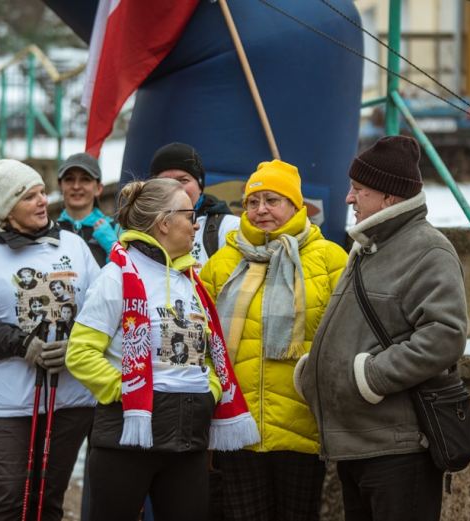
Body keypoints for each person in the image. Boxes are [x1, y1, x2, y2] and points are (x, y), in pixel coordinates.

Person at [295, 136, 468, 521]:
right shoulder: (373, 245)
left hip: (398, 450)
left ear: (389, 198)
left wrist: (369, 377)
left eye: (358, 190)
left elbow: (446, 335)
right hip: (363, 444)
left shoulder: (427, 249)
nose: (348, 199)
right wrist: (315, 372)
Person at [66, 178, 259, 521]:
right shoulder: (116, 278)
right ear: (164, 222)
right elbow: (80, 354)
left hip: (188, 439)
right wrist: (127, 393)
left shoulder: (190, 281)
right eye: (190, 214)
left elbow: (209, 355)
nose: (196, 223)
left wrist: (210, 390)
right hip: (127, 438)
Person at [0, 159, 101, 520]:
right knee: (8, 497)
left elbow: (101, 308)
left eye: (40, 193)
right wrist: (22, 344)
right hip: (4, 402)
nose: (41, 202)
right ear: (6, 209)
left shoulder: (73, 245)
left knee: (48, 498)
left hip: (69, 398)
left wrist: (77, 344)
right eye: (28, 197)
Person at [200, 159, 348, 521]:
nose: (261, 209)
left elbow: (346, 338)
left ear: (296, 206)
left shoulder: (330, 259)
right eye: (253, 201)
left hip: (304, 424)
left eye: (272, 200)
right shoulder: (221, 263)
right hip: (238, 427)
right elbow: (201, 340)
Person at [149, 142, 240, 271]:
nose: (175, 188)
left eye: (183, 180)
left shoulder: (229, 228)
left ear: (200, 186)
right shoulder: (138, 232)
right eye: (165, 182)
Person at [57, 152, 119, 267]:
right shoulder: (51, 231)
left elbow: (131, 276)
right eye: (69, 179)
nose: (76, 186)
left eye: (85, 179)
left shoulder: (116, 230)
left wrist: (113, 246)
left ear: (99, 188)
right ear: (60, 186)